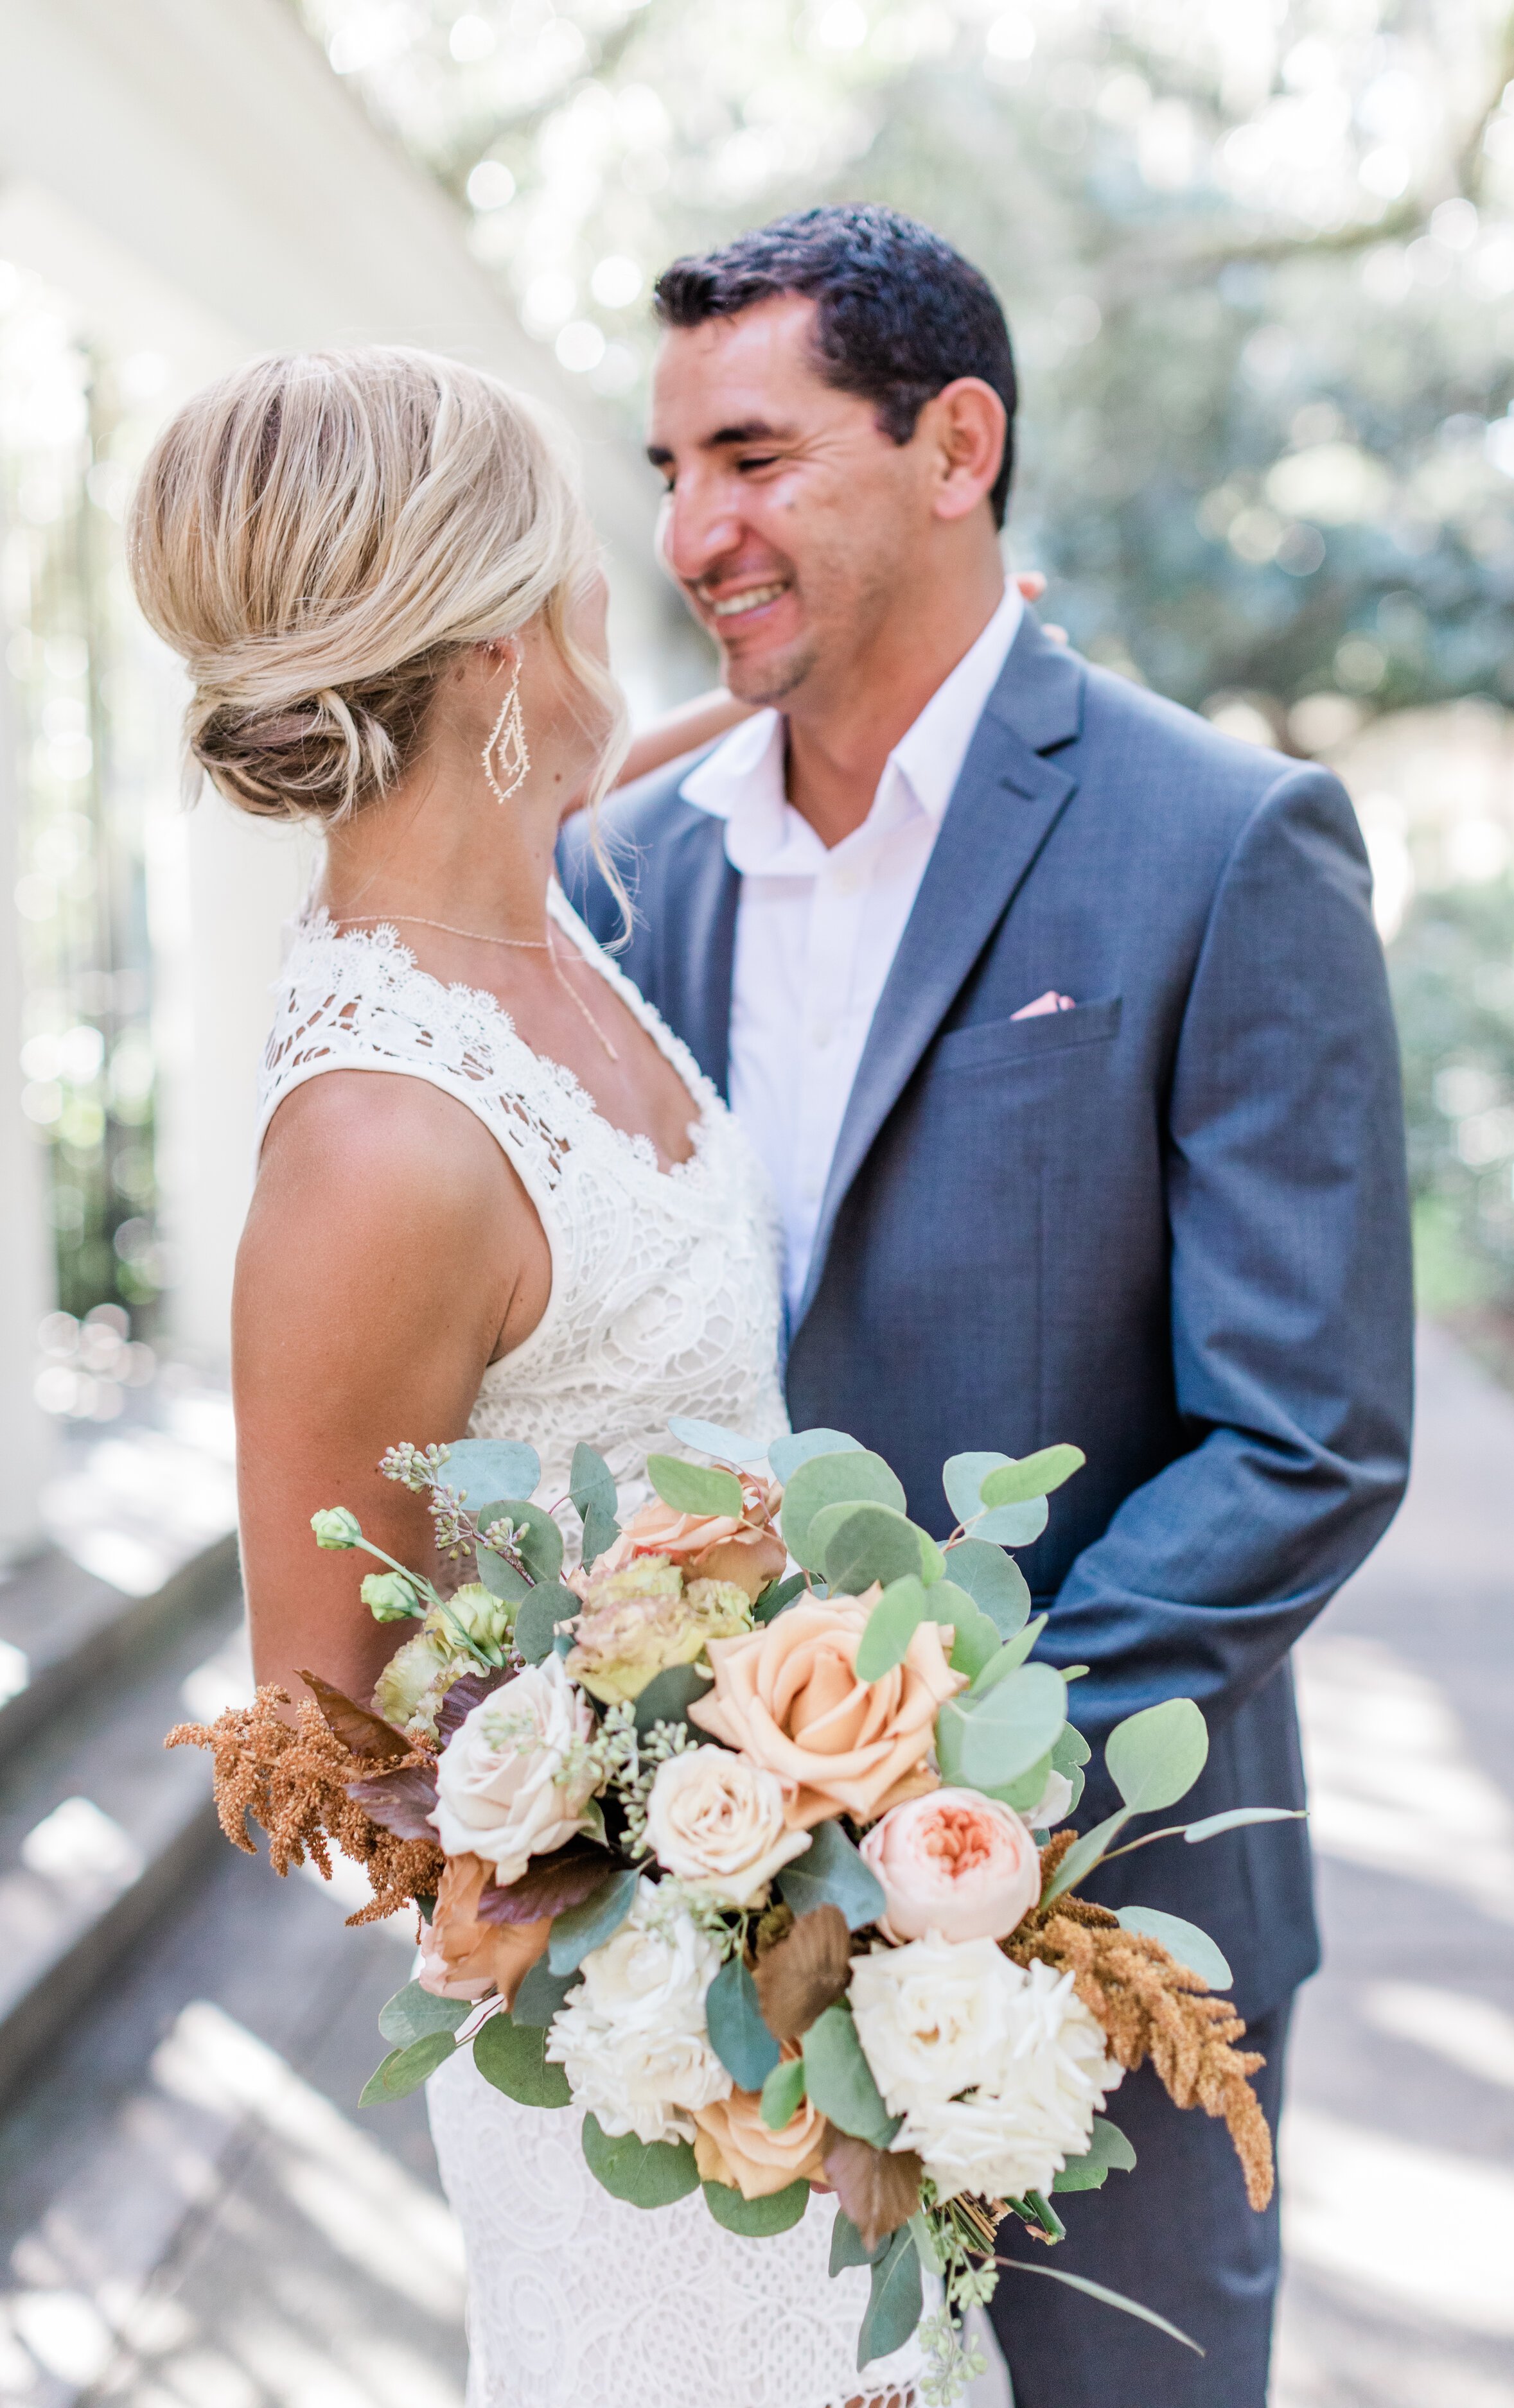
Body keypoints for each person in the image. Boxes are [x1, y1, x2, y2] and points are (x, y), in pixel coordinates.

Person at [563, 204, 1415, 2408]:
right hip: (700, 1937)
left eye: (750, 457)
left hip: (1108, 1924)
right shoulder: (626, 879)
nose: (693, 530)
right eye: (667, 472)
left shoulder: (1225, 841)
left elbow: (1303, 1426)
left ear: (957, 443)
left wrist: (954, 1803)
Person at [127, 347, 929, 2408]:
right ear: (497, 649)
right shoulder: (383, 1144)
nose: (628, 580)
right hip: (636, 2056)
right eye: (588, 555)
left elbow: (632, 752)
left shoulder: (532, 925)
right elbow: (319, 1732)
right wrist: (710, 1876)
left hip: (820, 1961)